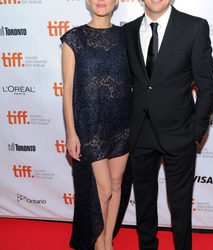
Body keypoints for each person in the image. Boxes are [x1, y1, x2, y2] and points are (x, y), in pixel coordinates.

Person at [123, 0, 213, 249]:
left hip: (179, 132)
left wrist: (196, 132)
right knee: (143, 200)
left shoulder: (194, 27)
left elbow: (207, 86)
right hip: (140, 132)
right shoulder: (128, 31)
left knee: (181, 205)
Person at [60, 0, 132, 249]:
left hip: (122, 123)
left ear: (117, 1)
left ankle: (108, 241)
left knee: (116, 185)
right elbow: (68, 90)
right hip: (90, 126)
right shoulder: (74, 38)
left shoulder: (127, 36)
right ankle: (99, 242)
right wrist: (71, 132)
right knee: (103, 190)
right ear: (87, 1)